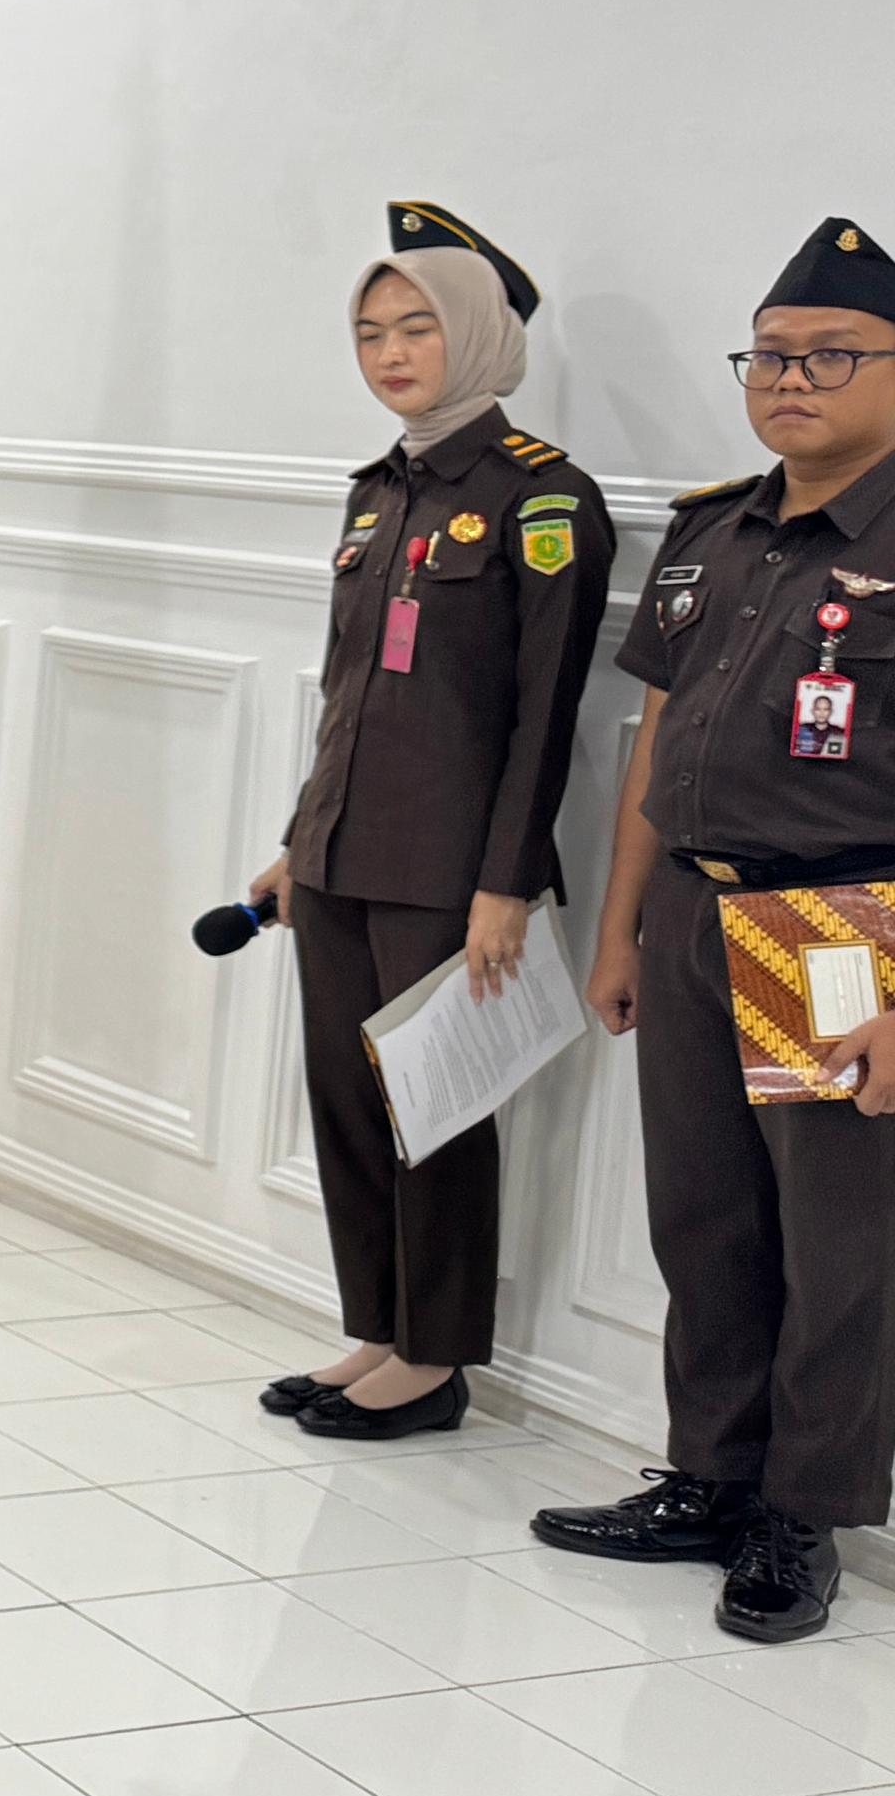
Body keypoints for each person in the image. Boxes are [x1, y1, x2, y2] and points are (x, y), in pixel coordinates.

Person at [544, 214, 895, 1642]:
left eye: (830, 356)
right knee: (705, 1220)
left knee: (838, 1242)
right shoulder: (715, 531)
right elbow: (655, 741)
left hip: (842, 923)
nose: (789, 379)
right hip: (692, 909)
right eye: (768, 355)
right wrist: (623, 928)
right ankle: (709, 1475)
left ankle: (799, 1517)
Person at [243, 205, 611, 1440]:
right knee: (346, 1098)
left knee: (432, 1107)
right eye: (366, 332)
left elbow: (541, 714)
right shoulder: (373, 495)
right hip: (345, 851)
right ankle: (378, 1329)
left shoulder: (541, 498)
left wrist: (505, 881)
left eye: (415, 328)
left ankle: (437, 1356)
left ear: (478, 337)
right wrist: (302, 839)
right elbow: (347, 691)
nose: (389, 353)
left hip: (450, 871)